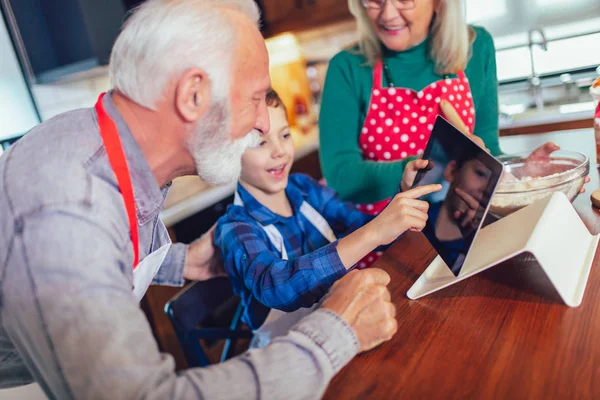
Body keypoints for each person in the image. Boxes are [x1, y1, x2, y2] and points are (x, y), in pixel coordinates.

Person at [0, 1, 398, 399]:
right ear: (193, 95)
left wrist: (180, 259)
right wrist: (335, 331)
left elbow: (111, 243)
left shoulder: (117, 149)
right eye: (255, 98)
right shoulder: (64, 209)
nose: (263, 122)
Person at [318, 0, 558, 267]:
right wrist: (411, 173)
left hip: (458, 238)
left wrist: (519, 175)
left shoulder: (476, 48)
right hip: (383, 251)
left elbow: (486, 148)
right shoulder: (348, 67)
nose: (387, 14)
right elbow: (341, 175)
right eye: (374, 0)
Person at [215, 89, 441, 347]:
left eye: (285, 135)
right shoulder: (235, 228)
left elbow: (363, 229)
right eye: (260, 142)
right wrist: (375, 231)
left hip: (344, 327)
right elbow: (279, 287)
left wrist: (401, 199)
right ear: (229, 153)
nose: (279, 151)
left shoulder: (304, 188)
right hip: (292, 353)